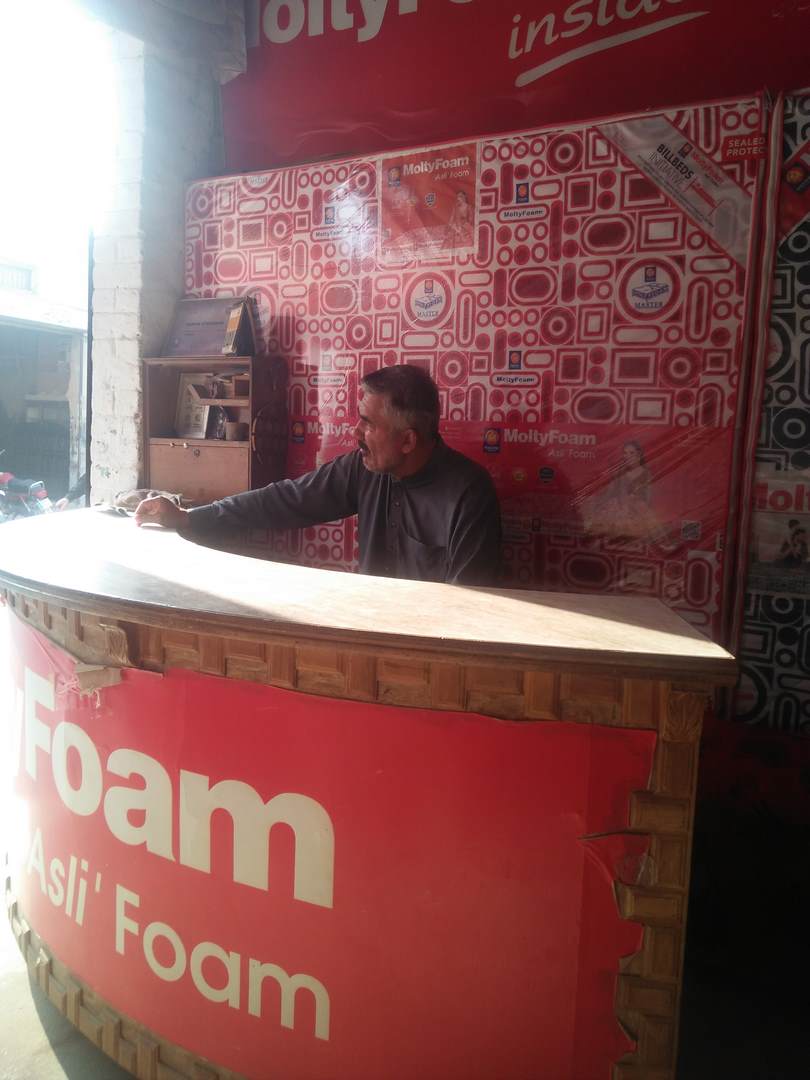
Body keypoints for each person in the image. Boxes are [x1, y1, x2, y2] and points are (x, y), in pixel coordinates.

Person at [135, 365, 502, 585]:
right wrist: (189, 518)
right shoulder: (363, 468)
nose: (355, 432)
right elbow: (286, 500)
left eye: (368, 423)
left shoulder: (469, 494)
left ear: (408, 440)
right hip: (366, 639)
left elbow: (470, 607)